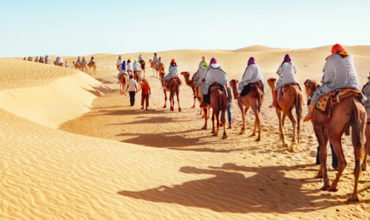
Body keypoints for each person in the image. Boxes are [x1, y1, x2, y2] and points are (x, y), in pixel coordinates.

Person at [304, 44, 361, 121]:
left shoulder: (331, 58)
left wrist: (324, 81)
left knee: (317, 93)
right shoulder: (350, 56)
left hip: (337, 85)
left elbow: (327, 76)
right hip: (354, 86)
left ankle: (310, 113)